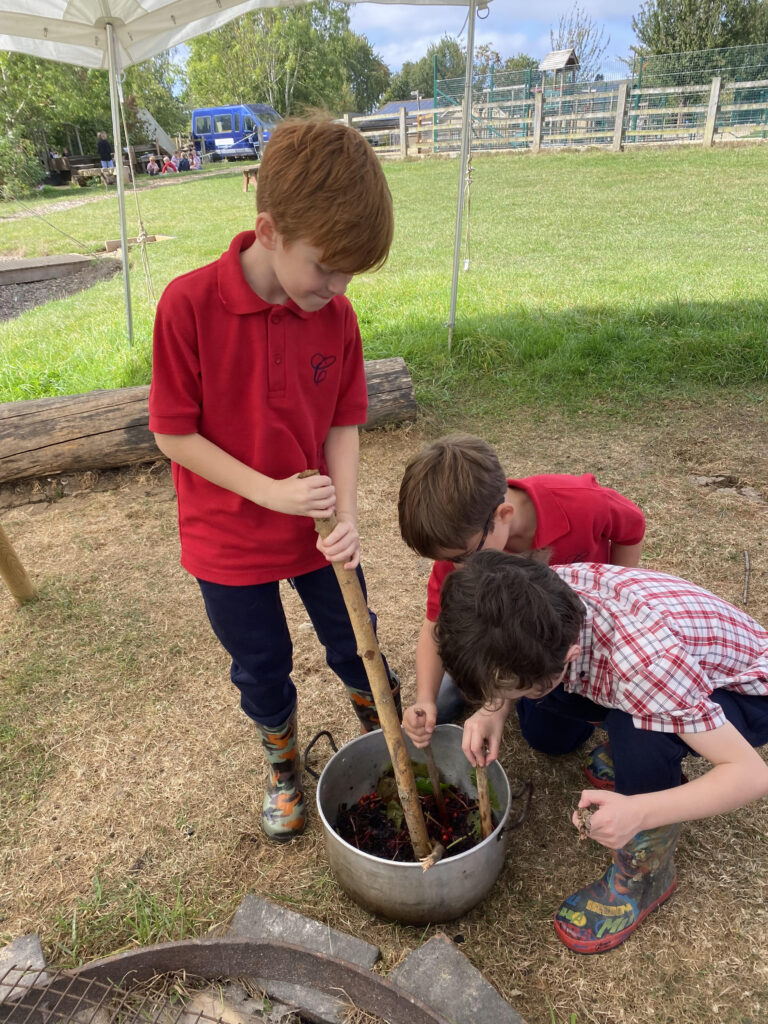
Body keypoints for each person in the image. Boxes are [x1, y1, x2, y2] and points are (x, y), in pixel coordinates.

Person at [148, 116, 396, 843]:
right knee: (260, 666)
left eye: (351, 271)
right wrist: (270, 491)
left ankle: (382, 753)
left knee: (357, 640)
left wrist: (344, 512)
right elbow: (172, 433)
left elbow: (342, 420)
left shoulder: (335, 314)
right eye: (327, 266)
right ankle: (285, 771)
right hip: (227, 542)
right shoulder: (187, 306)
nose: (340, 285)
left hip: (318, 535)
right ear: (269, 230)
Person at [432, 549, 768, 954]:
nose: (501, 699)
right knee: (547, 730)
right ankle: (639, 742)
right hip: (658, 673)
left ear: (567, 660)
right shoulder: (534, 600)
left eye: (506, 690)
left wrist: (639, 812)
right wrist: (493, 709)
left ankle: (646, 876)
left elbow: (750, 775)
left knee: (642, 730)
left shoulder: (645, 667)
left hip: (746, 693)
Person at [398, 434, 646, 734]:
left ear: (503, 515)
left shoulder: (582, 502)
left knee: (554, 737)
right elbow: (433, 626)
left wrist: (613, 590)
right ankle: (486, 671)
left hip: (572, 636)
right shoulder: (460, 549)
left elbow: (631, 528)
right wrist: (426, 698)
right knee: (542, 733)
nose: (459, 569)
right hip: (518, 642)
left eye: (464, 556)